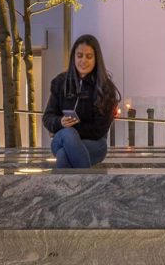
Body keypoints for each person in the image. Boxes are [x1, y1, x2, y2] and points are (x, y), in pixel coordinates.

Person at [43, 35, 120, 169]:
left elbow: (99, 130)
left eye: (89, 57)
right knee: (68, 134)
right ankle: (89, 182)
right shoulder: (60, 82)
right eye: (79, 56)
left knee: (63, 155)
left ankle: (63, 185)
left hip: (95, 144)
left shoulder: (105, 88)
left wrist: (70, 128)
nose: (83, 60)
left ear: (96, 59)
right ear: (73, 57)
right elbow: (48, 117)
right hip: (61, 140)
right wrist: (60, 122)